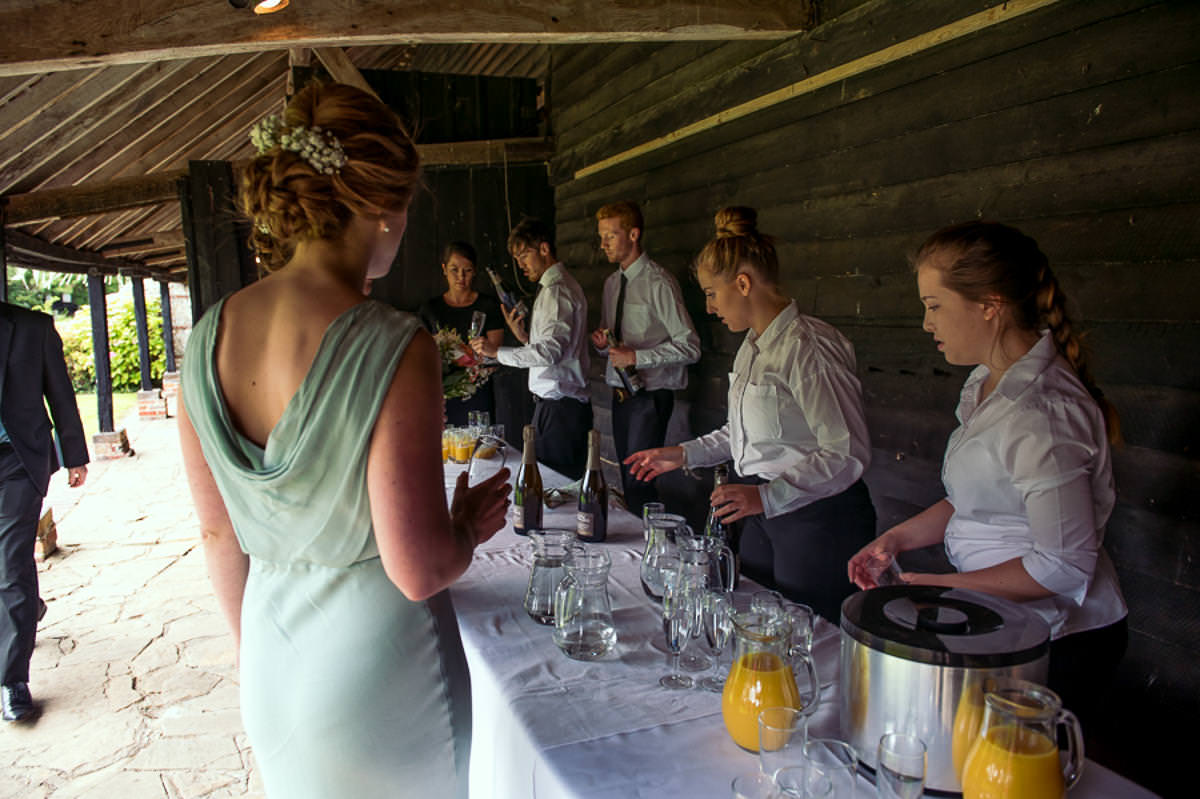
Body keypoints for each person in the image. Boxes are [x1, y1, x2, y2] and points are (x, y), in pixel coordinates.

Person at [177, 83, 510, 798]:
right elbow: (417, 569)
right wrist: (464, 529)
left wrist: (263, 656)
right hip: (381, 672)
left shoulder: (204, 341)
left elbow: (217, 536)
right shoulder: (394, 344)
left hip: (271, 655)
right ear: (379, 207)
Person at [846, 220, 1127, 720]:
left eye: (934, 307)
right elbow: (974, 500)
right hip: (1006, 619)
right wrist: (896, 540)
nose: (926, 324)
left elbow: (1063, 565)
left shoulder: (1043, 413)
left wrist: (939, 588)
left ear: (989, 305)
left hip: (1061, 638)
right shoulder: (985, 384)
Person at [625, 207, 875, 622]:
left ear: (743, 283)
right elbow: (740, 433)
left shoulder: (808, 347)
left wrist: (766, 496)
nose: (709, 307)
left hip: (816, 520)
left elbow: (846, 451)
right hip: (762, 513)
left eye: (710, 293)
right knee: (756, 622)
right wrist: (682, 454)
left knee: (810, 636)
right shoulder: (752, 347)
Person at [1, 301, 89, 722]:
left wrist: (74, 454)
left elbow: (60, 391)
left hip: (18, 460)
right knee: (8, 571)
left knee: (11, 560)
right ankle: (27, 607)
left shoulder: (32, 327)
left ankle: (11, 679)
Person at [590, 201, 700, 514]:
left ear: (634, 234)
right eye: (602, 237)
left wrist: (637, 356)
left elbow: (690, 346)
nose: (603, 244)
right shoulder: (612, 285)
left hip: (650, 397)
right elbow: (615, 344)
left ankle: (648, 550)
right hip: (621, 394)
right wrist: (602, 344)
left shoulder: (659, 283)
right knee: (628, 479)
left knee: (640, 481)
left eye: (610, 236)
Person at [471, 217, 591, 479]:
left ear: (544, 249)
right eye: (517, 258)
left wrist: (495, 352)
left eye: (524, 255)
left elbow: (550, 353)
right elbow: (555, 349)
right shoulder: (556, 288)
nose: (520, 265)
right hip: (557, 409)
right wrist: (525, 338)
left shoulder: (556, 291)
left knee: (554, 489)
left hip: (560, 411)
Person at [417, 241, 504, 426]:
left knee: (480, 447)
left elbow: (495, 355)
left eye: (467, 271)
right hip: (441, 395)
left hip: (478, 393)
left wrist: (479, 363)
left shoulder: (488, 306)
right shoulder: (430, 310)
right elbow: (421, 355)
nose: (461, 277)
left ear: (475, 271)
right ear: (444, 269)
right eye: (454, 269)